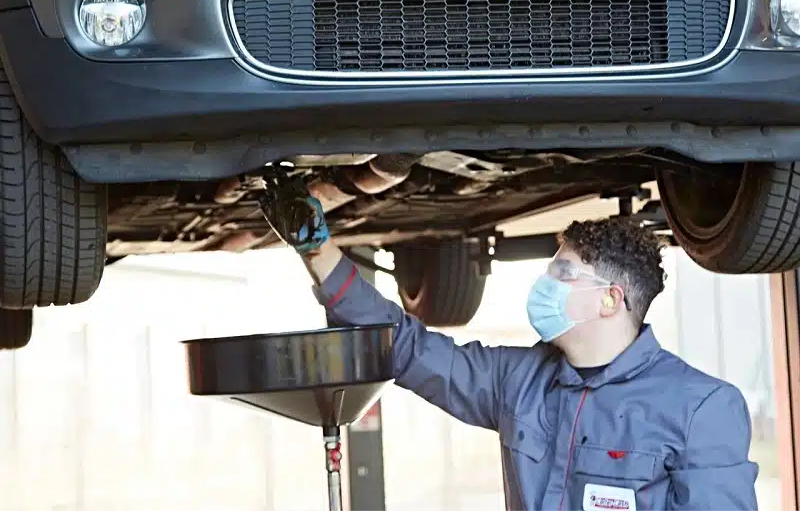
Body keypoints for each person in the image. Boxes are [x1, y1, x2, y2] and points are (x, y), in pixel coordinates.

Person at [268, 192, 759, 511]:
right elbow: (408, 348)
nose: (545, 286)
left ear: (611, 299)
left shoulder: (701, 408)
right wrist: (319, 253)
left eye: (563, 275)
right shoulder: (516, 379)